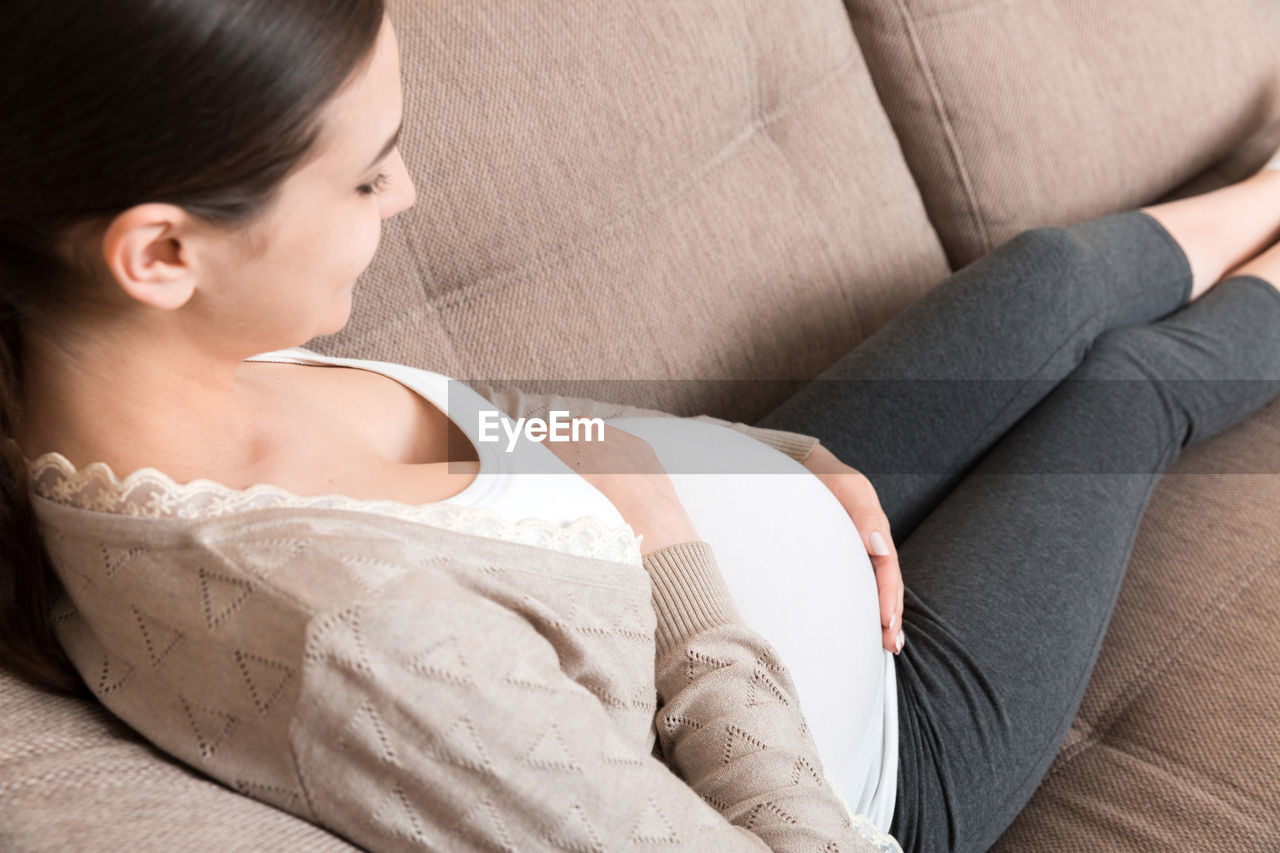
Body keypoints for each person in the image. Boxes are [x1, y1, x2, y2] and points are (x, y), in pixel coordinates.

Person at [3, 2, 1280, 852]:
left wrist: (777, 463)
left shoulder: (168, 359)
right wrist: (673, 553)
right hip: (885, 741)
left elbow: (492, 428)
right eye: (363, 171)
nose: (407, 193)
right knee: (1121, 391)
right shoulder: (355, 648)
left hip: (774, 513)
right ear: (161, 250)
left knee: (1046, 277)